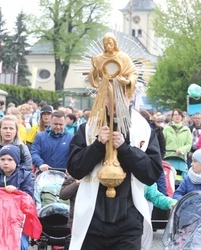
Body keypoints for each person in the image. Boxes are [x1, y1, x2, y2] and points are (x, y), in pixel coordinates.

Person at [67, 33, 162, 249]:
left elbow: (151, 174)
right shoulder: (89, 128)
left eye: (120, 93)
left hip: (128, 220)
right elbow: (75, 169)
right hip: (93, 218)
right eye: (108, 93)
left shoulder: (143, 129)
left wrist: (126, 149)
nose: (115, 98)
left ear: (130, 94)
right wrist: (98, 145)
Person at [163, 108, 192, 181]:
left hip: (180, 159)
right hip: (168, 158)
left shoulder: (186, 130)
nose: (177, 116)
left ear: (182, 117)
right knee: (168, 180)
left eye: (179, 115)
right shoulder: (166, 129)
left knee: (179, 181)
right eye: (175, 115)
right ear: (172, 117)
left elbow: (189, 144)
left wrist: (182, 150)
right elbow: (162, 143)